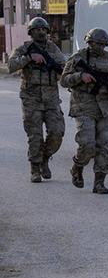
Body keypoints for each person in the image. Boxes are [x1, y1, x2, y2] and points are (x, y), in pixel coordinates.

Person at [60, 28, 108, 194]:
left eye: (103, 44)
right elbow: (64, 80)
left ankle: (99, 182)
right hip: (83, 105)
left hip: (105, 108)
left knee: (104, 146)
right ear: (89, 42)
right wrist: (80, 77)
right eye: (97, 43)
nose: (100, 47)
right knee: (87, 143)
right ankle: (78, 167)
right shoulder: (78, 58)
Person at [8, 17, 66, 183]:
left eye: (43, 30)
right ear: (31, 32)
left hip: (51, 98)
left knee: (57, 132)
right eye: (37, 30)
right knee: (35, 136)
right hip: (31, 98)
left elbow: (63, 67)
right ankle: (35, 168)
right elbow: (11, 65)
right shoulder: (24, 49)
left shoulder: (53, 48)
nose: (41, 32)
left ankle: (45, 158)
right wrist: (29, 58)